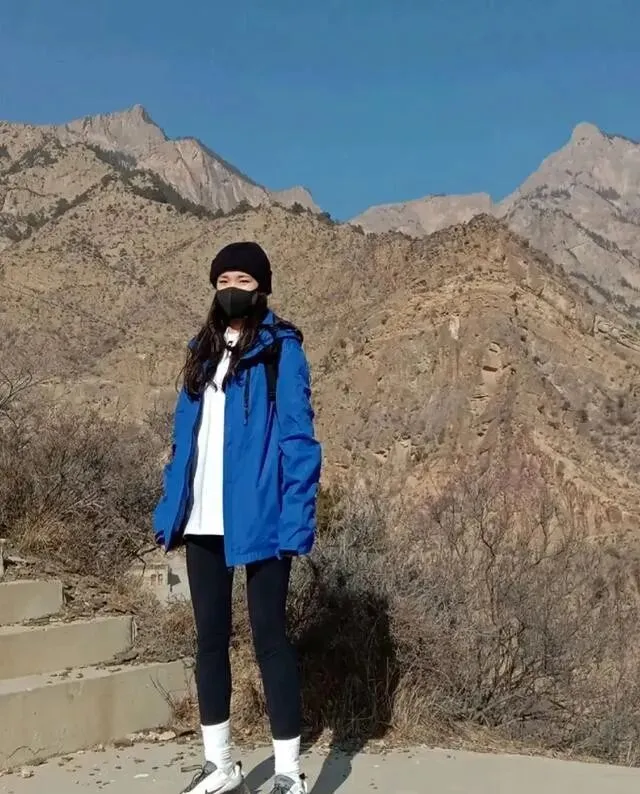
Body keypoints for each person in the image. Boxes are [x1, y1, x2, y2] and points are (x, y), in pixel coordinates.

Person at [153, 241, 322, 794]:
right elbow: (184, 440)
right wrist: (170, 507)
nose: (232, 289)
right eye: (224, 280)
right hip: (202, 518)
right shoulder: (200, 352)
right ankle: (219, 765)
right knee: (209, 640)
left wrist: (297, 519)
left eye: (243, 281)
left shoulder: (280, 351)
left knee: (270, 639)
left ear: (261, 288)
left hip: (262, 519)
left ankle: (289, 773)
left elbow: (299, 440)